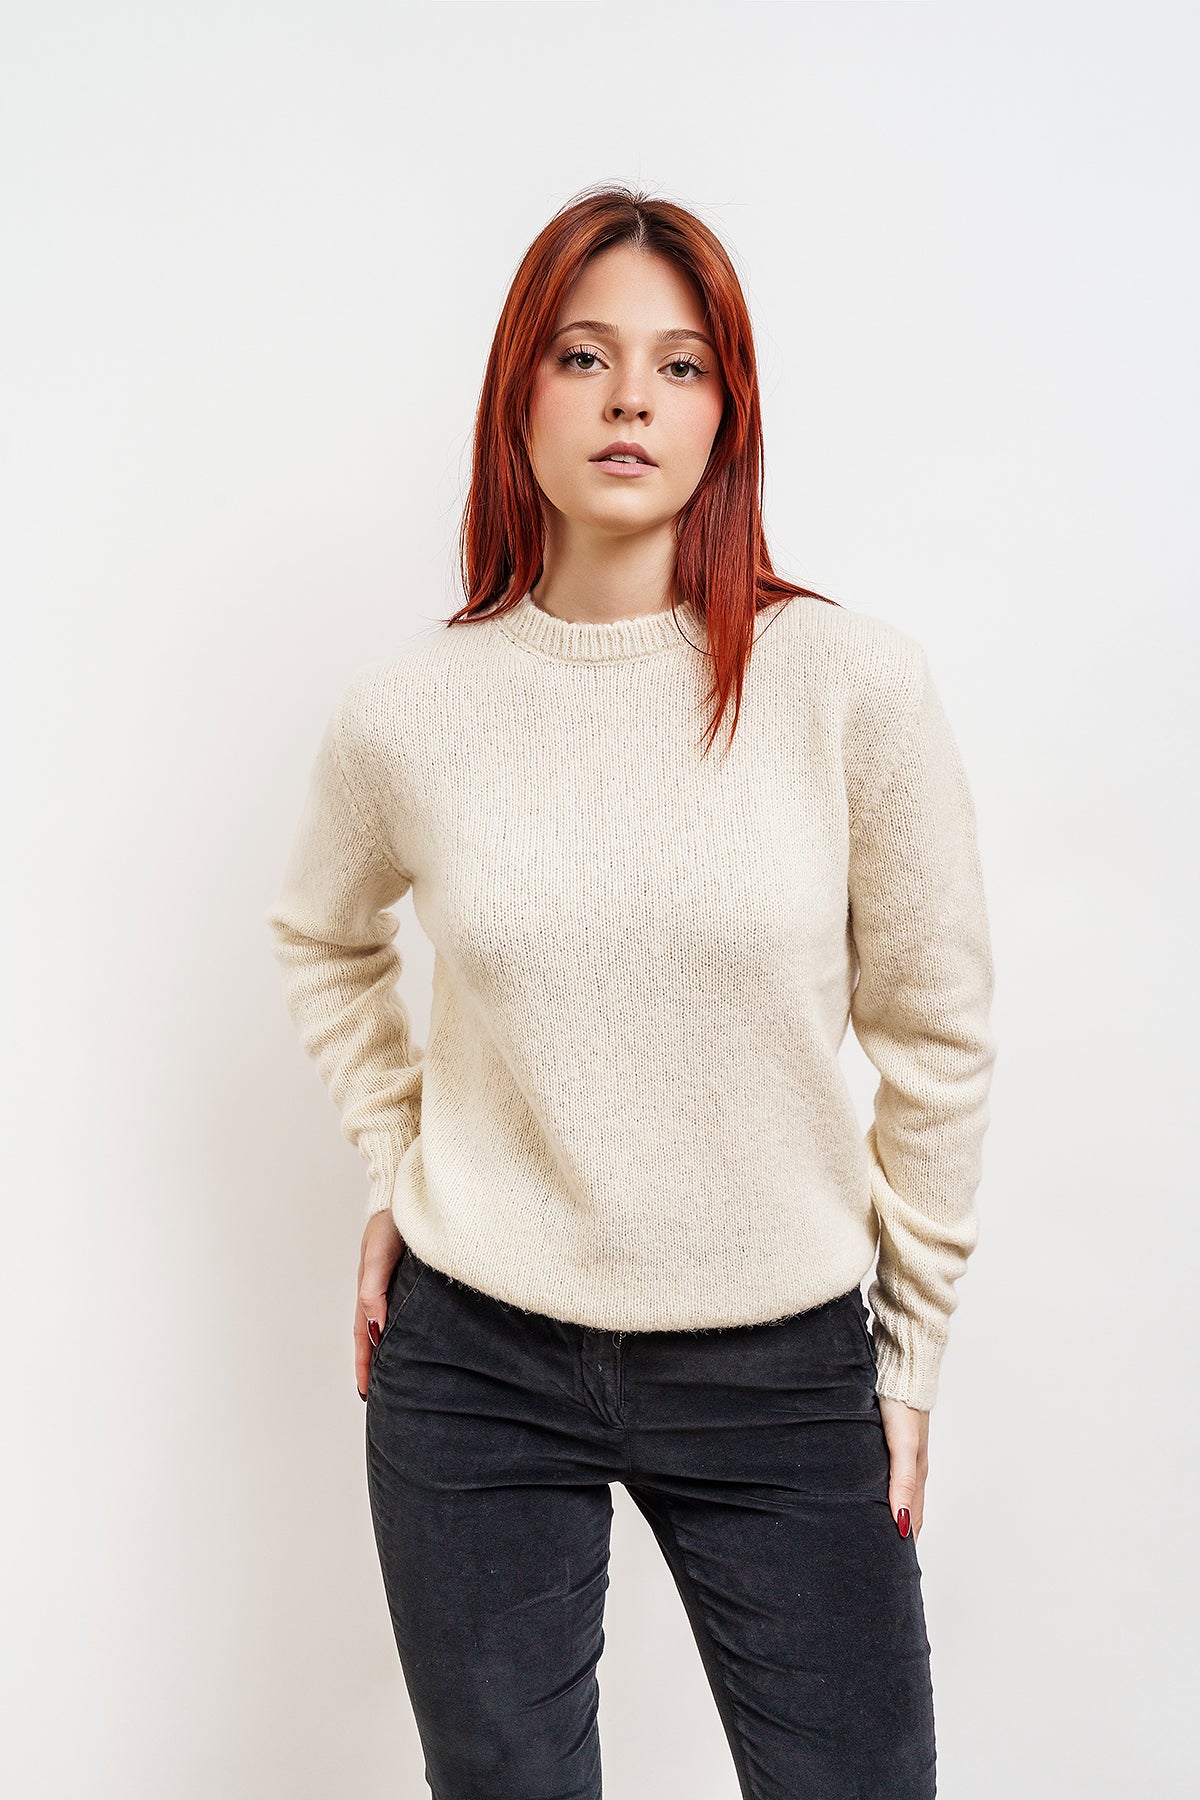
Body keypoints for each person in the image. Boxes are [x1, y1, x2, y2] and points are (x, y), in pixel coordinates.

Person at [266, 183, 996, 1800]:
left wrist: (910, 1352)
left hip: (777, 1365)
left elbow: (938, 1036)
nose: (629, 403)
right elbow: (320, 933)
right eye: (585, 356)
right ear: (518, 390)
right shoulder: (411, 713)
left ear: (727, 409)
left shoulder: (848, 685)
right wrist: (398, 1156)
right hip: (475, 1357)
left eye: (679, 366)